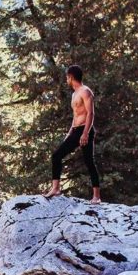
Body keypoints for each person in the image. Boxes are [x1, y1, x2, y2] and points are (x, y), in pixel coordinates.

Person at [44, 64, 101, 203]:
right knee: (57, 156)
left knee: (89, 162)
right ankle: (56, 188)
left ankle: (96, 197)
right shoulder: (75, 93)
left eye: (67, 77)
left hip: (84, 130)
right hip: (75, 130)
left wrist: (85, 133)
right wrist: (70, 133)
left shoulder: (85, 91)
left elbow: (90, 113)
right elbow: (76, 116)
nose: (66, 80)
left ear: (71, 77)